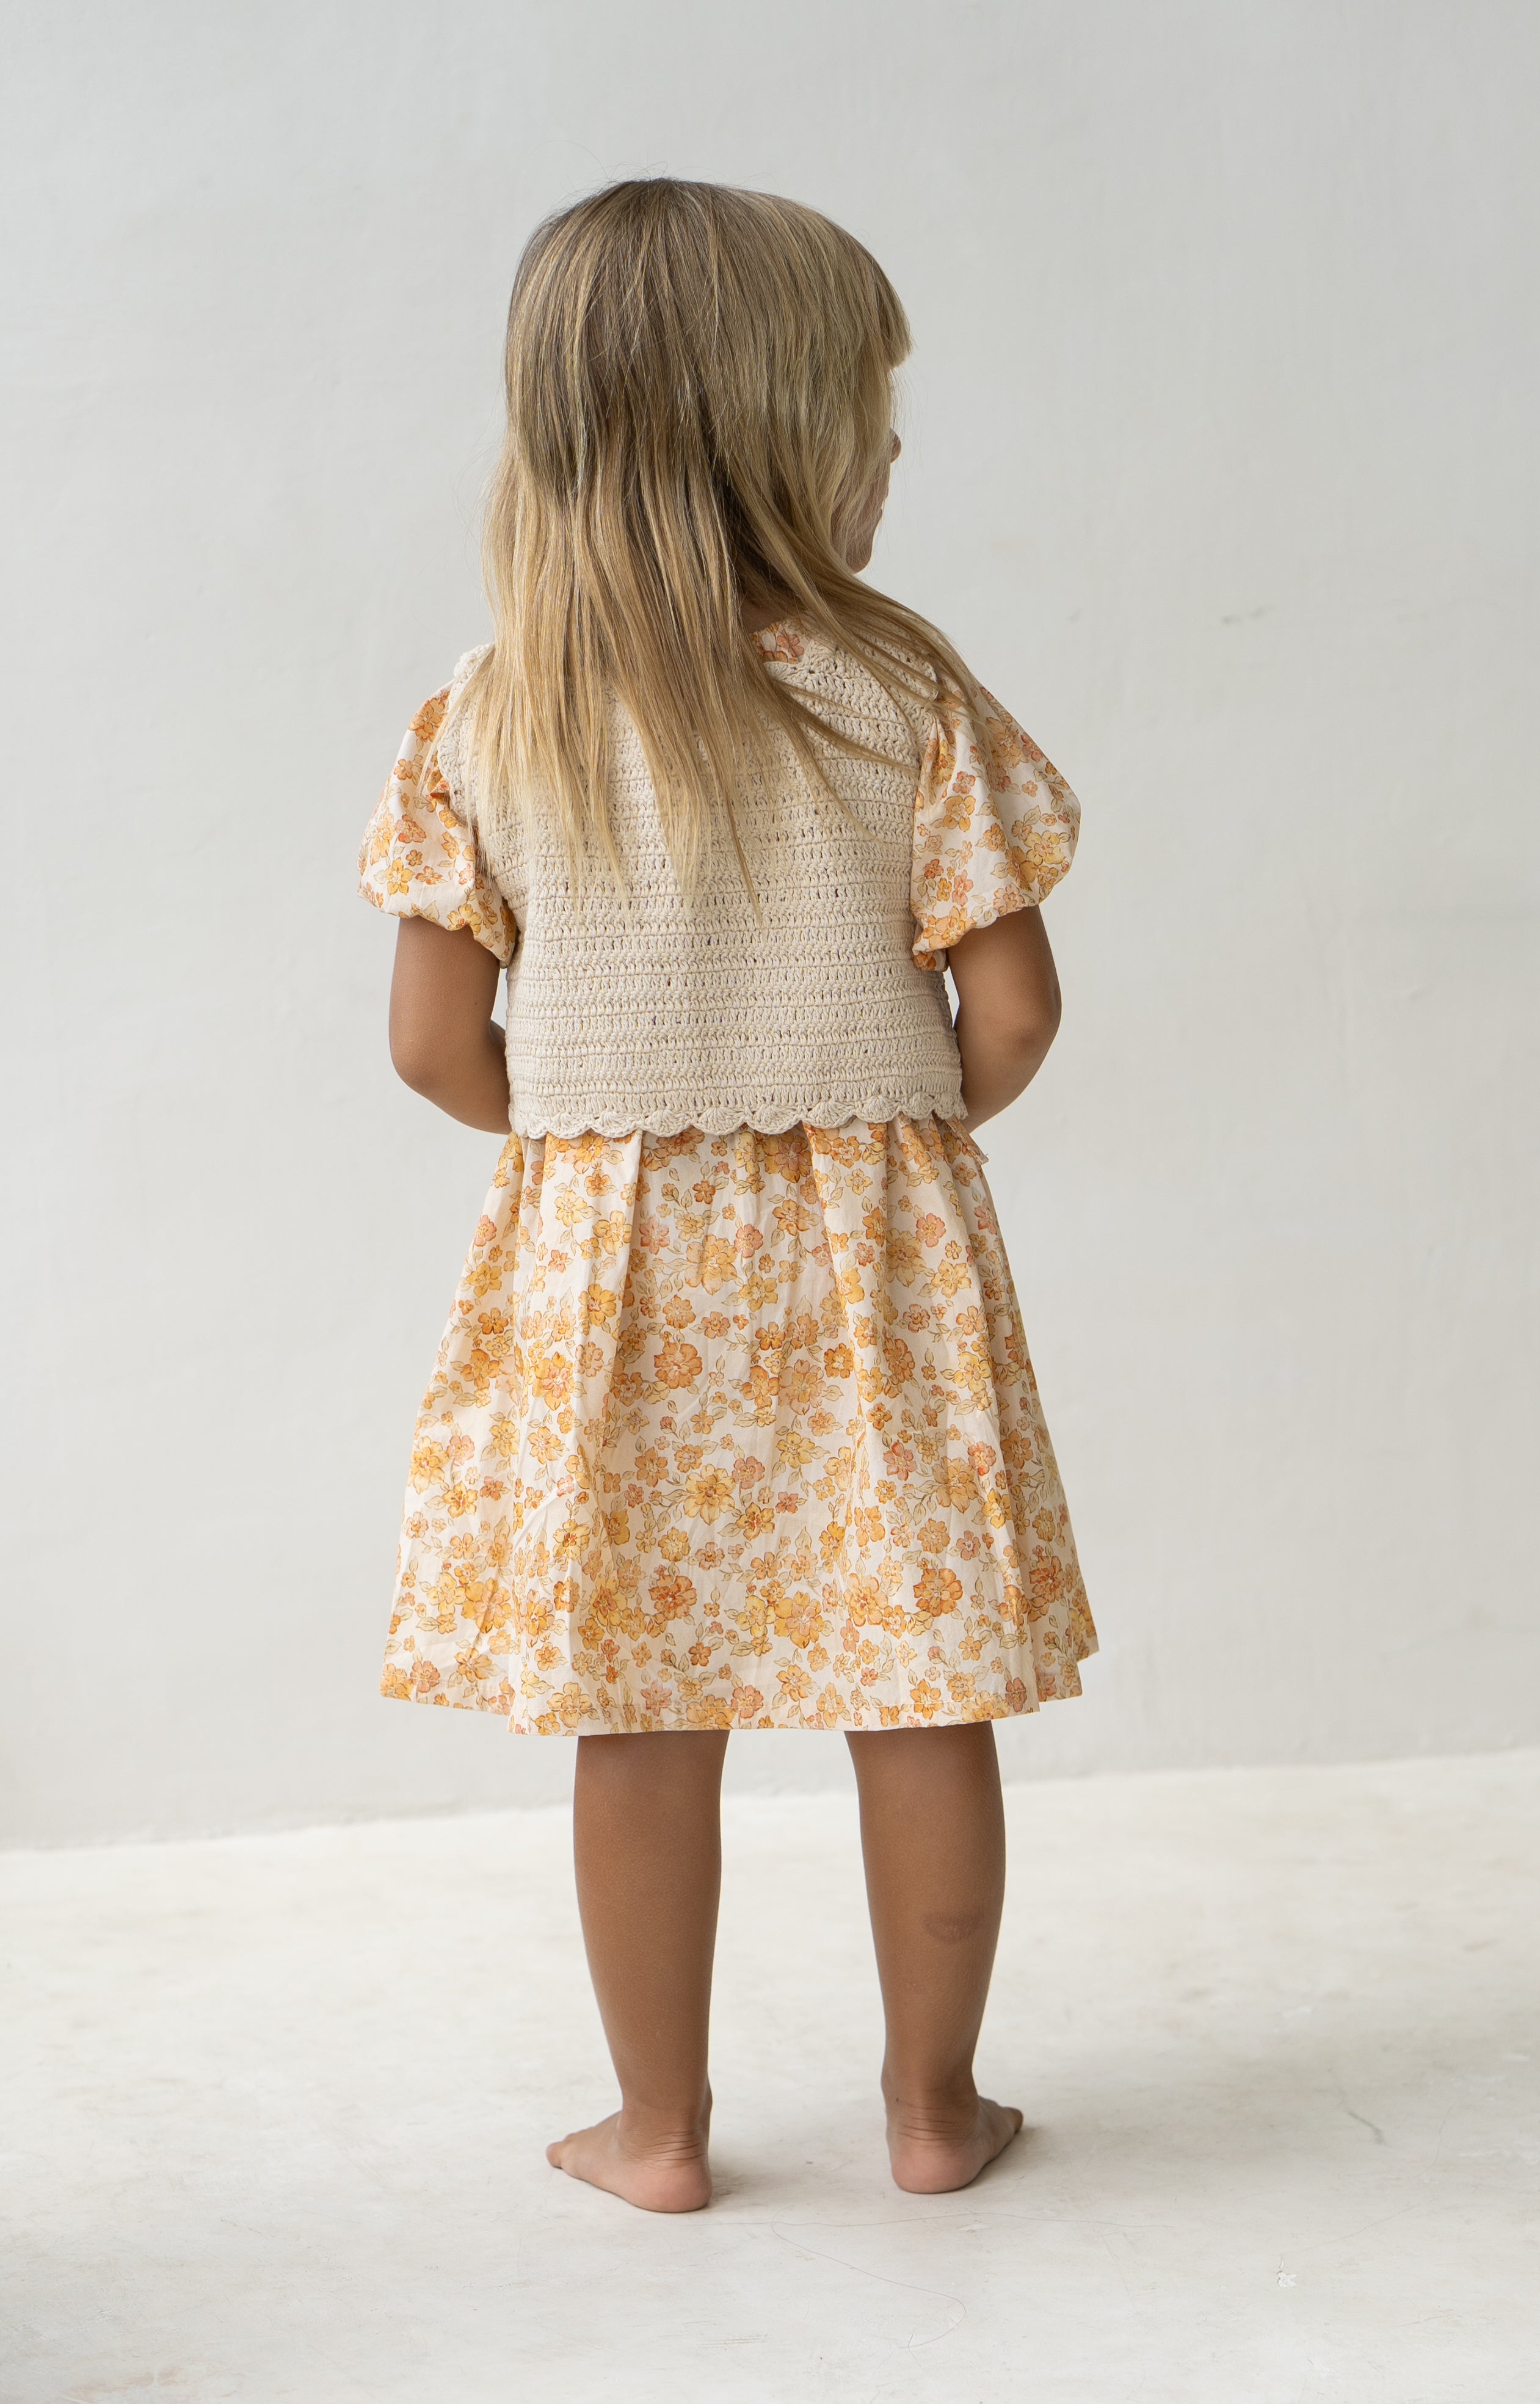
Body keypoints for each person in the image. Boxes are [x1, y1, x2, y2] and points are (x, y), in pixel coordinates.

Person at [358, 178, 1097, 2213]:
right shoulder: (905, 693)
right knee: (920, 1685)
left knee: (641, 1708)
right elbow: (1016, 1010)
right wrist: (883, 1119)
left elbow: (432, 1047)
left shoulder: (487, 713)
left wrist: (601, 1120)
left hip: (611, 1273)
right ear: (785, 441)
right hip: (879, 1254)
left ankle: (661, 2135)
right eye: (870, 418)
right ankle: (937, 2116)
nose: (888, 462)